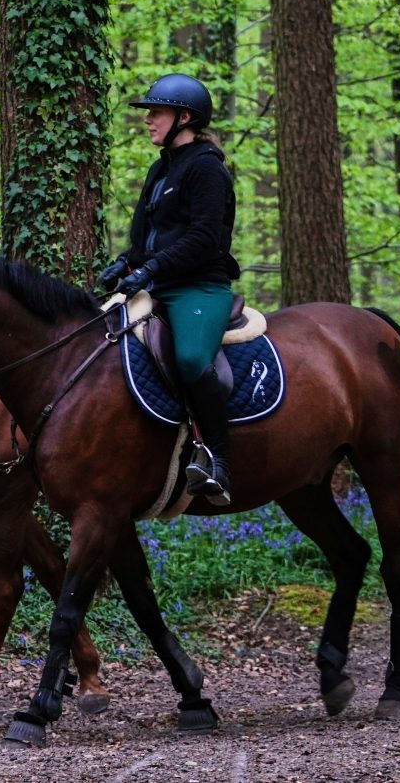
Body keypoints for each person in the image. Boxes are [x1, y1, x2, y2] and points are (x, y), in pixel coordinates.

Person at [98, 73, 241, 505]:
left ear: (185, 117)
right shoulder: (160, 169)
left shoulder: (207, 168)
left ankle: (218, 459)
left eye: (156, 112)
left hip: (199, 287)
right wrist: (126, 262)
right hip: (158, 282)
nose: (149, 121)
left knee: (193, 358)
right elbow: (146, 237)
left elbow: (204, 239)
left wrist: (152, 267)